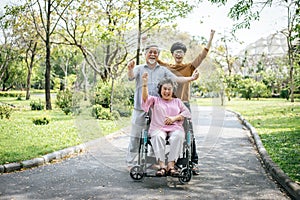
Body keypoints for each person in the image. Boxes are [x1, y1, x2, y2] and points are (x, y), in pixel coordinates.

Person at [126, 44, 199, 171]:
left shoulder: (163, 70)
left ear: (158, 55)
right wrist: (129, 69)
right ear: (145, 54)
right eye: (150, 52)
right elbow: (131, 76)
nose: (153, 54)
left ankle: (155, 161)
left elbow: (176, 78)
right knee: (136, 136)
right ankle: (130, 162)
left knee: (156, 134)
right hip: (140, 108)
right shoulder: (139, 68)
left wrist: (191, 78)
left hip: (156, 109)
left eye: (155, 52)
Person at [157, 29, 215, 174]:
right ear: (172, 54)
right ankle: (170, 162)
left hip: (183, 104)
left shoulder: (189, 67)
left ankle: (193, 162)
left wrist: (211, 37)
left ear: (184, 54)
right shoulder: (167, 67)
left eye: (181, 52)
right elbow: (154, 58)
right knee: (169, 133)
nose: (178, 54)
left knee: (189, 133)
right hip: (168, 105)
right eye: (176, 52)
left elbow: (202, 56)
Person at [141, 72, 191, 176]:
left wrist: (175, 118)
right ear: (160, 89)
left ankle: (171, 165)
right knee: (158, 136)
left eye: (169, 89)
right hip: (158, 127)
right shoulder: (155, 100)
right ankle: (162, 166)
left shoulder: (177, 101)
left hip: (175, 127)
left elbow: (187, 112)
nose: (167, 91)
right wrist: (144, 84)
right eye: (164, 89)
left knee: (178, 136)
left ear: (173, 90)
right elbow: (145, 99)